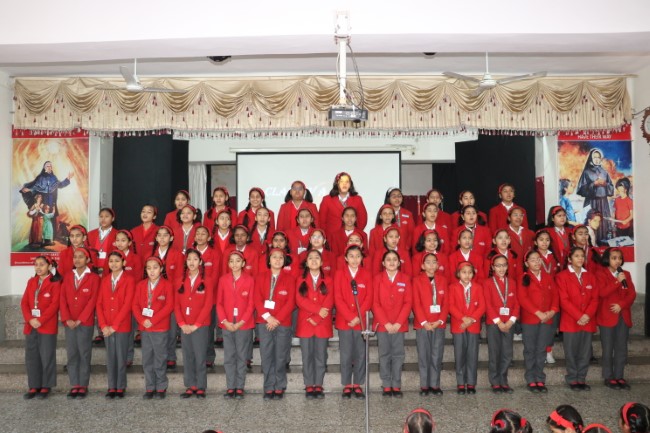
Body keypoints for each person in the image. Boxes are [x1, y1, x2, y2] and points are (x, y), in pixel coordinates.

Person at [556, 247, 599, 391]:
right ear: (570, 259)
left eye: (582, 256)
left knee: (585, 352)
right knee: (571, 352)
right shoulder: (562, 276)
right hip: (571, 320)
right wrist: (579, 316)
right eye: (576, 256)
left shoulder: (591, 276)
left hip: (588, 320)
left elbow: (595, 299)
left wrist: (587, 315)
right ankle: (573, 378)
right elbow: (564, 300)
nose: (580, 258)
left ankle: (581, 378)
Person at [60, 247, 100, 399]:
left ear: (88, 259)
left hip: (84, 322)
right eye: (75, 257)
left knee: (84, 353)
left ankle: (83, 384)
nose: (77, 259)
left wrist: (80, 319)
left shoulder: (94, 278)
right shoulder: (68, 276)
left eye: (81, 257)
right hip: (69, 322)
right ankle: (74, 384)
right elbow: (62, 299)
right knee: (72, 353)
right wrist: (67, 318)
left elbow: (93, 300)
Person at [255, 248, 296, 399]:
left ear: (284, 261)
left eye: (280, 257)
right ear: (269, 260)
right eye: (274, 257)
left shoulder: (290, 279)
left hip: (282, 322)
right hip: (264, 322)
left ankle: (279, 386)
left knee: (280, 355)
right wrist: (268, 317)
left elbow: (291, 302)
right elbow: (257, 299)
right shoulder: (260, 277)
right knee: (266, 355)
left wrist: (276, 319)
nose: (277, 260)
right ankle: (268, 386)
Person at [334, 245, 373, 399]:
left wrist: (358, 316)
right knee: (346, 354)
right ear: (346, 258)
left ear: (362, 258)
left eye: (358, 256)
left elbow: (369, 297)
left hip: (360, 322)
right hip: (344, 321)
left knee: (360, 354)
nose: (355, 259)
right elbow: (338, 297)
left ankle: (357, 383)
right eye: (351, 256)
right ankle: (346, 384)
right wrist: (350, 316)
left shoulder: (366, 274)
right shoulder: (339, 274)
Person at [132, 257, 174, 399]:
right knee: (147, 359)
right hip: (145, 327)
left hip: (159, 327)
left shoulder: (167, 285)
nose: (152, 271)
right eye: (149, 268)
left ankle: (161, 386)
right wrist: (142, 320)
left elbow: (169, 306)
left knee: (160, 358)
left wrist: (153, 320)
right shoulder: (140, 285)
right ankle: (150, 387)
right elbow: (135, 305)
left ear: (161, 269)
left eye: (155, 267)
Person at [21, 256, 62, 400]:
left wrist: (40, 320)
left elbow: (55, 305)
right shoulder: (31, 282)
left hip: (47, 325)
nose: (38, 267)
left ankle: (46, 385)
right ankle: (34, 385)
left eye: (42, 264)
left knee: (47, 356)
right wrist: (30, 319)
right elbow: (24, 303)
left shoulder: (55, 283)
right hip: (31, 325)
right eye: (36, 264)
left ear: (49, 266)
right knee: (31, 357)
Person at [518, 250, 558, 393]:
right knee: (530, 350)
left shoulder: (548, 277)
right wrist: (538, 313)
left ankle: (540, 378)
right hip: (530, 319)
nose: (536, 262)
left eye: (538, 259)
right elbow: (523, 298)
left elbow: (555, 296)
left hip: (547, 319)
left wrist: (552, 311)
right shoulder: (524, 277)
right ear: (526, 263)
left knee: (541, 349)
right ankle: (530, 378)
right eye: (533, 260)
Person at [373, 250, 412, 398]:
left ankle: (396, 383)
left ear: (399, 262)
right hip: (383, 325)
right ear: (383, 263)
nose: (391, 262)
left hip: (399, 325)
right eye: (388, 259)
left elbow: (408, 302)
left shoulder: (405, 278)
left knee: (398, 355)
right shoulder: (377, 279)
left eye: (394, 259)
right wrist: (386, 323)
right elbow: (375, 303)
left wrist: (398, 323)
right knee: (384, 354)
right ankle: (386, 383)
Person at [295, 250, 334, 399]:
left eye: (317, 258)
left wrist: (317, 318)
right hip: (305, 323)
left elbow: (329, 300)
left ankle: (318, 384)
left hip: (322, 323)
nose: (313, 260)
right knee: (307, 356)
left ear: (322, 262)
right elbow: (299, 300)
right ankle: (309, 384)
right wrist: (317, 311)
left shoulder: (328, 280)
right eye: (310, 258)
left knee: (320, 356)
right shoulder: (300, 279)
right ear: (306, 263)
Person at [217, 250, 256, 399]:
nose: (234, 264)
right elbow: (219, 303)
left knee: (241, 356)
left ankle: (239, 387)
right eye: (231, 261)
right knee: (229, 357)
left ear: (243, 263)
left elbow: (251, 304)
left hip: (243, 324)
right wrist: (225, 321)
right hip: (227, 324)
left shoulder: (250, 280)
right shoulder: (223, 280)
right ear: (228, 264)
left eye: (238, 261)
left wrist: (241, 322)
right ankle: (230, 387)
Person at [176, 249, 214, 398]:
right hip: (185, 325)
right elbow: (176, 305)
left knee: (200, 355)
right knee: (187, 355)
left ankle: (200, 385)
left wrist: (196, 324)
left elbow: (208, 304)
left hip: (200, 325)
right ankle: (190, 385)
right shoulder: (179, 280)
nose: (192, 262)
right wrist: (181, 323)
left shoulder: (207, 280)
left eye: (195, 259)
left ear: (200, 262)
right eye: (189, 259)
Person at [97, 251, 135, 399]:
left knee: (120, 357)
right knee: (110, 357)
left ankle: (120, 386)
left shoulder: (129, 280)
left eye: (117, 261)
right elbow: (99, 303)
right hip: (106, 326)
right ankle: (111, 386)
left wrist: (114, 325)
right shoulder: (105, 280)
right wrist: (103, 325)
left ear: (123, 263)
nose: (114, 264)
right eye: (111, 261)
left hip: (121, 325)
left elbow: (127, 304)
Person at [598, 248, 636, 390]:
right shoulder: (601, 274)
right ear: (607, 259)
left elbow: (631, 294)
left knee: (621, 348)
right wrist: (616, 281)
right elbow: (602, 293)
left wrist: (621, 305)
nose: (617, 261)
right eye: (614, 258)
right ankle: (608, 377)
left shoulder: (626, 274)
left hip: (623, 315)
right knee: (608, 348)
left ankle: (619, 376)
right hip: (607, 316)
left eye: (619, 258)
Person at [412, 253, 448, 396]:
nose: (431, 265)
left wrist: (440, 321)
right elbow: (416, 303)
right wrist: (424, 322)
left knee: (437, 355)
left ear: (438, 265)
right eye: (428, 262)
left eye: (434, 262)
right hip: (423, 324)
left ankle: (435, 385)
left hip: (438, 324)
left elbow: (446, 303)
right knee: (424, 355)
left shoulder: (443, 280)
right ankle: (424, 386)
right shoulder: (417, 280)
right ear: (422, 265)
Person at [483, 254, 519, 394]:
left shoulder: (512, 282)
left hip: (509, 322)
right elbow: (488, 304)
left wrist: (511, 320)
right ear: (493, 267)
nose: (501, 268)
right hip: (494, 323)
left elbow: (516, 303)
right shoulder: (487, 283)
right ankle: (495, 381)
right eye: (498, 265)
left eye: (504, 265)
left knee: (507, 353)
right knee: (495, 353)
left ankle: (503, 380)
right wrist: (498, 322)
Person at [449, 261, 485, 394]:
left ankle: (471, 383)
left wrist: (471, 319)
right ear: (458, 274)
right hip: (459, 324)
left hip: (473, 325)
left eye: (470, 272)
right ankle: (460, 382)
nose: (467, 275)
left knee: (472, 354)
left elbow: (482, 306)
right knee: (459, 355)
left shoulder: (478, 287)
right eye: (464, 272)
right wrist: (463, 318)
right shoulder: (452, 287)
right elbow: (450, 305)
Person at [150, 225, 184, 369]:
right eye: (160, 235)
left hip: (171, 296)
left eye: (165, 235)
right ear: (156, 238)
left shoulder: (177, 254)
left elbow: (179, 277)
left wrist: (169, 293)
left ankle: (170, 356)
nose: (162, 238)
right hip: (153, 296)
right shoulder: (150, 254)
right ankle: (156, 356)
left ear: (171, 238)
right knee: (156, 326)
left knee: (171, 328)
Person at [20, 160, 73, 240]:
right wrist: (28, 189)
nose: (49, 167)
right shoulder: (40, 177)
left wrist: (68, 179)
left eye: (50, 166)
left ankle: (52, 237)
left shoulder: (54, 178)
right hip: (43, 201)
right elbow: (34, 186)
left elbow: (60, 185)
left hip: (52, 201)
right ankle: (41, 238)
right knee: (42, 220)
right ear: (44, 168)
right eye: (47, 166)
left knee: (52, 218)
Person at [577, 148, 614, 243]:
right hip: (592, 201)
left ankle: (602, 242)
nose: (597, 159)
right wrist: (594, 184)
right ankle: (591, 242)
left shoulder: (604, 172)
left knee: (603, 222)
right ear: (591, 158)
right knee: (592, 221)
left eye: (598, 157)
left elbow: (611, 187)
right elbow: (581, 188)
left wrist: (605, 184)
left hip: (603, 202)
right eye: (595, 157)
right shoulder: (586, 172)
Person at [319, 172, 368, 239]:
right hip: (332, 237)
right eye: (341, 181)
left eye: (347, 182)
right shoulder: (327, 199)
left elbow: (363, 219)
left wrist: (356, 232)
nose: (344, 184)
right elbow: (322, 221)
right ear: (337, 184)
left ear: (350, 184)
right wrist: (326, 236)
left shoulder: (357, 199)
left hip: (352, 238)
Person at [87, 208, 117, 273]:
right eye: (101, 216)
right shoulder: (90, 234)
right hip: (92, 269)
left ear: (112, 219)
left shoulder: (117, 234)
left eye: (106, 216)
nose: (103, 219)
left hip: (110, 269)